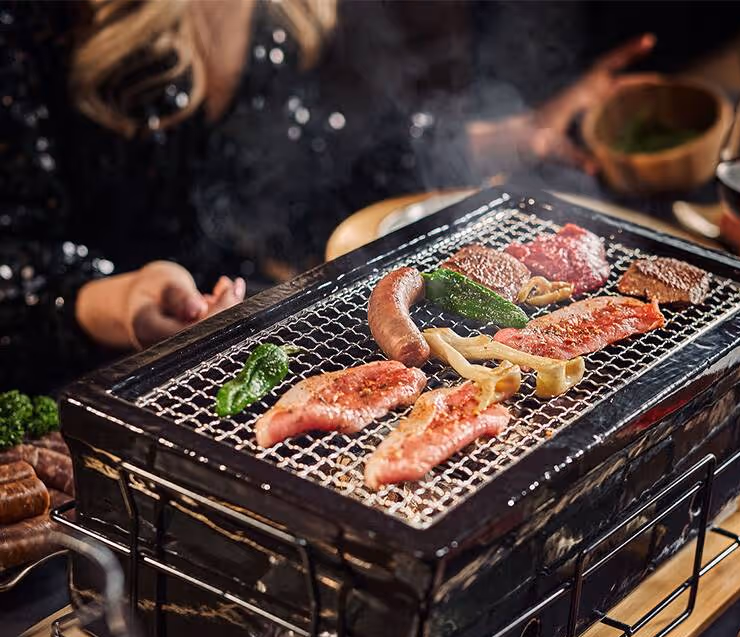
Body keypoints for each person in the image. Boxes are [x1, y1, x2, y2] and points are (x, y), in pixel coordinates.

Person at [0, 0, 654, 393]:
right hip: (75, 380)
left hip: (232, 338)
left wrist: (520, 135)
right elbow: (14, 251)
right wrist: (114, 301)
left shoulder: (280, 10)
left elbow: (317, 163)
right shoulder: (34, 20)